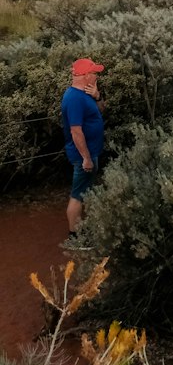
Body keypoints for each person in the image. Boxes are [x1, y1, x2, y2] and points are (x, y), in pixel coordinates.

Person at [61, 57, 105, 248]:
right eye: (95, 73)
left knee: (83, 191)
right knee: (77, 195)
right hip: (83, 156)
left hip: (91, 152)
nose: (97, 76)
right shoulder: (74, 99)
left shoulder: (86, 93)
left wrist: (97, 96)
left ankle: (80, 230)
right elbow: (75, 131)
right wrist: (86, 158)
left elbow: (100, 111)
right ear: (86, 75)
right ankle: (75, 237)